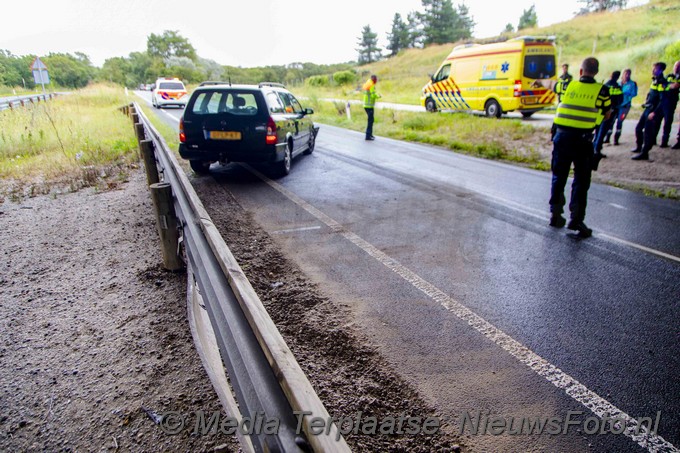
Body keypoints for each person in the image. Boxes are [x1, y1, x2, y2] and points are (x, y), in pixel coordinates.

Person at [533, 57, 611, 238]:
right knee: (581, 180)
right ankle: (576, 219)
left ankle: (555, 214)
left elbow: (551, 84)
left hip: (561, 137)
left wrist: (538, 81)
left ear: (581, 72)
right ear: (596, 72)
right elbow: (607, 114)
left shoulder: (568, 86)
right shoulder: (602, 91)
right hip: (583, 141)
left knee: (559, 176)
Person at [631, 62, 668, 160]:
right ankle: (639, 147)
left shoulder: (662, 82)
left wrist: (654, 112)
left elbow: (662, 100)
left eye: (655, 69)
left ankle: (645, 152)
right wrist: (646, 102)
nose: (653, 70)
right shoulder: (654, 80)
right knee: (638, 128)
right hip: (648, 108)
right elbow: (651, 94)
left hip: (653, 111)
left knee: (648, 133)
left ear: (661, 70)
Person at [593, 70, 623, 157]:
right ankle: (597, 150)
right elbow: (620, 100)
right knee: (603, 131)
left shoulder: (604, 85)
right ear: (618, 77)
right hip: (610, 112)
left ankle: (594, 147)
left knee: (597, 130)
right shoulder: (618, 87)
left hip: (600, 111)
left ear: (611, 75)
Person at [609, 68, 637, 146]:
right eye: (626, 73)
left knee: (620, 121)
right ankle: (607, 137)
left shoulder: (632, 84)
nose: (627, 75)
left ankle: (616, 138)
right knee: (611, 121)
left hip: (624, 106)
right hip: (616, 105)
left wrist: (625, 93)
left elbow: (634, 93)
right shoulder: (617, 83)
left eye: (629, 74)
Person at [659, 60, 680, 148]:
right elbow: (662, 85)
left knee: (668, 121)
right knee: (657, 120)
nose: (676, 68)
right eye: (675, 66)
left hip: (672, 102)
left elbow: (676, 86)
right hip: (663, 100)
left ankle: (665, 140)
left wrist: (668, 86)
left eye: (678, 67)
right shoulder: (669, 76)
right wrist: (669, 86)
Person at [362, 75, 380, 141]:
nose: (376, 81)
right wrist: (378, 96)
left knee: (371, 120)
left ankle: (370, 135)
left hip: (366, 105)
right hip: (369, 106)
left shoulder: (367, 83)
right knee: (370, 121)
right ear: (374, 79)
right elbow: (373, 95)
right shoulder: (371, 85)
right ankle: (368, 136)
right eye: (376, 80)